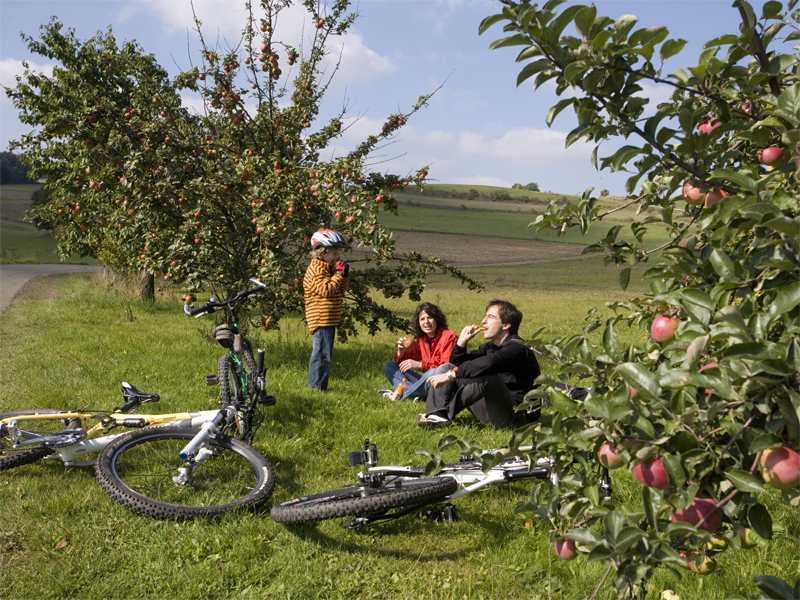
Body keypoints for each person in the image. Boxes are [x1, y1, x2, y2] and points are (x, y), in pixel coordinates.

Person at [417, 299, 540, 430]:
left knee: (487, 378)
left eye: (490, 317)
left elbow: (490, 363)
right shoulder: (490, 346)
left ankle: (446, 412)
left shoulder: (517, 348)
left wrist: (452, 375)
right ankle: (436, 414)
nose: (483, 321)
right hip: (490, 410)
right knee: (446, 367)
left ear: (506, 325)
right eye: (485, 315)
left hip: (517, 417)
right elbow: (458, 364)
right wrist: (461, 343)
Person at [377, 302, 458, 401]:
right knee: (389, 366)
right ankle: (418, 394)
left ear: (437, 319)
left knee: (433, 372)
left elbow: (446, 368)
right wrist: (401, 352)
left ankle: (400, 396)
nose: (426, 322)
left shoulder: (449, 337)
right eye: (422, 319)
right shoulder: (422, 341)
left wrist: (421, 365)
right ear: (418, 323)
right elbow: (402, 364)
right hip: (428, 382)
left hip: (444, 382)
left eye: (430, 317)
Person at [304, 229, 350, 392]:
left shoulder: (326, 268)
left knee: (326, 356)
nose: (336, 257)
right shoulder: (316, 269)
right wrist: (337, 275)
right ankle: (315, 388)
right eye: (334, 253)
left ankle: (321, 387)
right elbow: (326, 290)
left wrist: (343, 276)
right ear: (321, 252)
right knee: (321, 356)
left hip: (329, 318)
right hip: (320, 318)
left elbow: (339, 290)